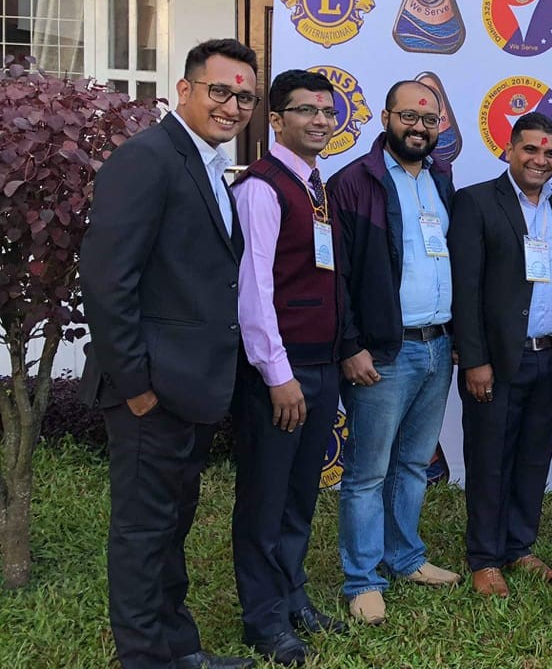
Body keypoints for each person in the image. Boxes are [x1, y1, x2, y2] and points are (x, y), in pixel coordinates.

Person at [78, 38, 260, 669]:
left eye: (244, 97)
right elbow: (107, 281)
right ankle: (145, 658)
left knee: (171, 527)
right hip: (149, 391)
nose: (232, 106)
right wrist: (136, 387)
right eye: (220, 91)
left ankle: (178, 649)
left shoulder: (207, 164)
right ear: (185, 90)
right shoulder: (146, 159)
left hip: (189, 387)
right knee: (143, 533)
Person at [327, 80, 461, 625]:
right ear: (385, 118)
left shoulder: (441, 179)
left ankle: (405, 557)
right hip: (383, 351)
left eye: (429, 120)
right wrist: (350, 345)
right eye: (408, 116)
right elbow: (336, 276)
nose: (419, 128)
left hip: (437, 346)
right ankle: (362, 578)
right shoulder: (353, 182)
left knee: (412, 463)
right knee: (367, 472)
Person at [230, 69, 351, 664]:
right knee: (265, 499)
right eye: (306, 110)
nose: (320, 121)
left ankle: (292, 595)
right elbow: (253, 289)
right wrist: (277, 375)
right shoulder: (262, 187)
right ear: (276, 120)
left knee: (300, 492)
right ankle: (263, 620)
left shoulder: (315, 184)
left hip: (321, 363)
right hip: (280, 372)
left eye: (327, 111)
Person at [449, 112, 552, 597]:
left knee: (533, 457)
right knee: (489, 459)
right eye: (530, 149)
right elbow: (465, 287)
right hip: (497, 360)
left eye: (549, 153)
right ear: (509, 150)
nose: (540, 160)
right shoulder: (477, 201)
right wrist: (474, 359)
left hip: (550, 356)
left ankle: (519, 547)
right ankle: (484, 557)